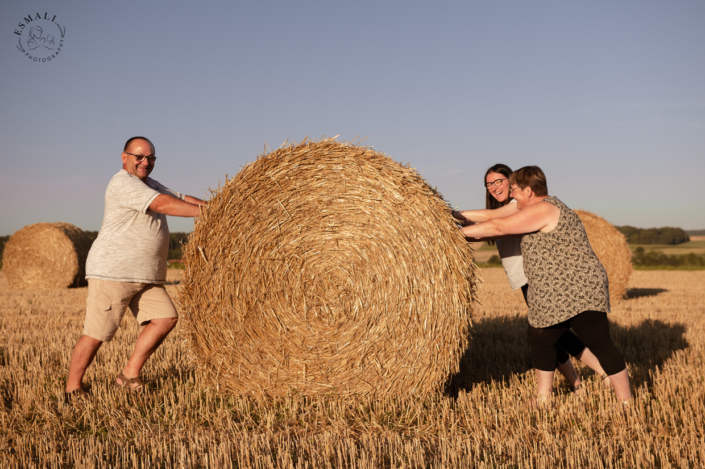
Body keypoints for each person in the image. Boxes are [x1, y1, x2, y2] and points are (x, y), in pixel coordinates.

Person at [459, 166, 631, 405]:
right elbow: (492, 221)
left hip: (578, 287)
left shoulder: (543, 209)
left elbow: (498, 226)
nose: (512, 194)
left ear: (528, 191)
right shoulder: (540, 206)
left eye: (515, 189)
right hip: (555, 289)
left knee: (600, 343)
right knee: (540, 336)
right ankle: (543, 398)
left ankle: (625, 402)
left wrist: (450, 234)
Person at [64, 136, 206, 399]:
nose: (145, 162)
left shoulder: (149, 183)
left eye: (150, 158)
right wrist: (204, 214)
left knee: (165, 318)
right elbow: (162, 204)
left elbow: (179, 197)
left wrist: (219, 208)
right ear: (124, 157)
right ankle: (72, 388)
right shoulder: (123, 183)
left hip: (146, 275)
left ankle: (129, 375)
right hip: (114, 272)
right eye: (139, 156)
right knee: (96, 335)